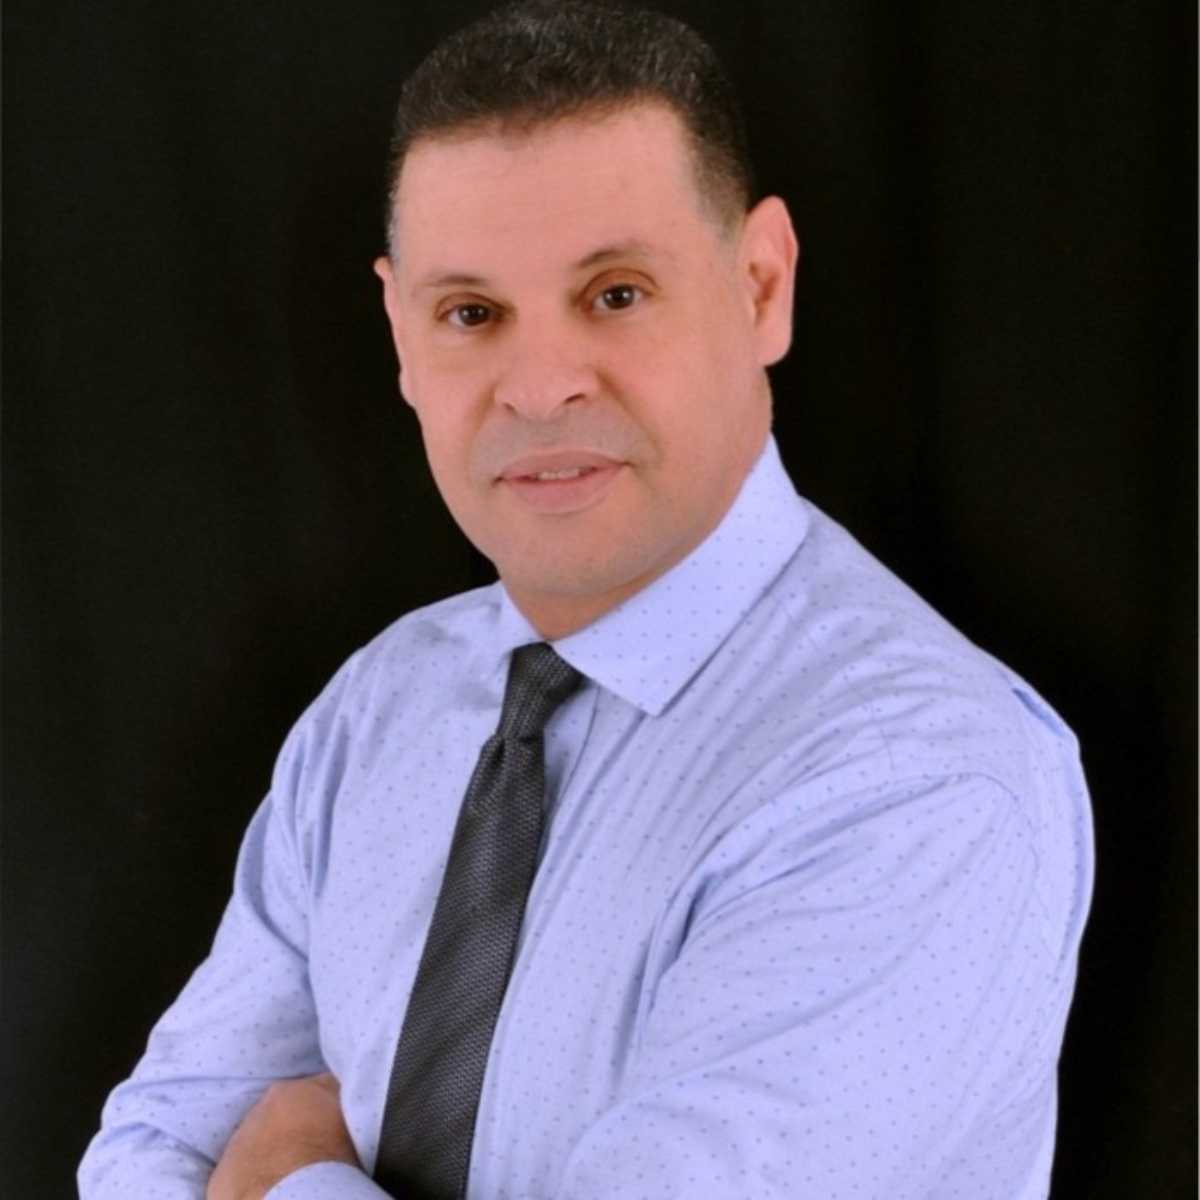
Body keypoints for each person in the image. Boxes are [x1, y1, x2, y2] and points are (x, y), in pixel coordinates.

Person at [79, 3, 1094, 1198]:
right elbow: (148, 1154)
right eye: (472, 314)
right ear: (401, 334)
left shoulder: (917, 780)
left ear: (761, 286)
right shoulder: (378, 711)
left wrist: (292, 1175)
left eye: (615, 294)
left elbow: (217, 1166)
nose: (541, 386)